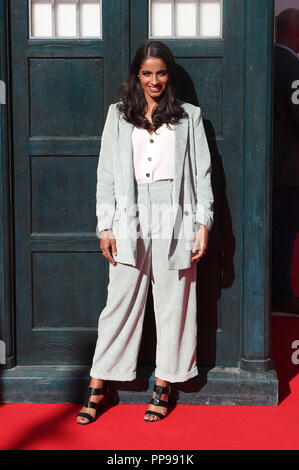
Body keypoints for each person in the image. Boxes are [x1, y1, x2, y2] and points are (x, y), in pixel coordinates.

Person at [76, 40, 214, 424]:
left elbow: (202, 174)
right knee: (119, 302)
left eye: (161, 73)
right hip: (129, 213)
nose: (154, 80)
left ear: (169, 75)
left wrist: (203, 222)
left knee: (175, 305)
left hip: (176, 214)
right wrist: (105, 225)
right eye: (147, 73)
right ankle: (99, 384)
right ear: (137, 75)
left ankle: (165, 383)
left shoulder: (189, 117)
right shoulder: (117, 116)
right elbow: (106, 173)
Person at [272, 8, 299, 315]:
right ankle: (280, 295)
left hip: (271, 166)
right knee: (284, 232)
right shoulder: (291, 65)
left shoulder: (268, 60)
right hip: (289, 170)